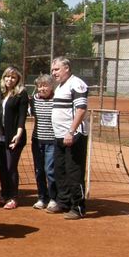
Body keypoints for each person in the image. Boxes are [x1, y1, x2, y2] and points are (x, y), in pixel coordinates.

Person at [50, 56, 89, 219]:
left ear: (67, 68)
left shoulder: (76, 83)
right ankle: (63, 202)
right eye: (52, 70)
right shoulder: (60, 86)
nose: (54, 73)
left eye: (56, 69)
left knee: (74, 172)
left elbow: (81, 109)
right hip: (59, 136)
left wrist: (71, 131)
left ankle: (78, 207)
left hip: (73, 136)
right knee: (60, 170)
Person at [0, 66, 29, 210]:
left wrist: (18, 134)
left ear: (18, 79)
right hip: (0, 136)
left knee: (11, 167)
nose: (10, 79)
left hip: (14, 137)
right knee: (2, 167)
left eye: (13, 77)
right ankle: (4, 195)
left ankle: (13, 197)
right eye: (7, 76)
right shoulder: (1, 93)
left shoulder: (21, 93)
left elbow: (22, 115)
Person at [29, 74, 59, 211]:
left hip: (52, 141)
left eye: (45, 86)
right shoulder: (34, 99)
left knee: (50, 170)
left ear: (52, 86)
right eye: (39, 86)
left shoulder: (57, 99)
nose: (42, 89)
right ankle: (42, 197)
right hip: (37, 140)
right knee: (39, 170)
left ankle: (54, 198)